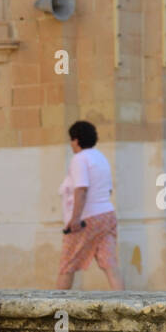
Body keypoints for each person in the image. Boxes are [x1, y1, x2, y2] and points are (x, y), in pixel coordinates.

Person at [56, 120, 123, 290]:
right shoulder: (100, 157)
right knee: (110, 264)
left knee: (67, 264)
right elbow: (107, 190)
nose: (71, 144)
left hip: (87, 218)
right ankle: (124, 303)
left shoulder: (79, 159)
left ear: (76, 140)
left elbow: (81, 189)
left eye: (72, 140)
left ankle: (55, 309)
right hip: (107, 216)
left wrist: (75, 219)